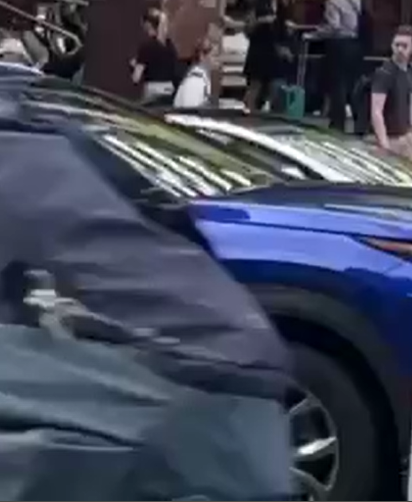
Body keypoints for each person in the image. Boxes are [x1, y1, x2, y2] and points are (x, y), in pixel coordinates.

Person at [0, 86, 295, 498]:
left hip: (185, 390)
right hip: (246, 374)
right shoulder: (55, 139)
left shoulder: (16, 155)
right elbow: (172, 219)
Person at [369, 26, 412, 164]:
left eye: (404, 46)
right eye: (396, 45)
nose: (399, 49)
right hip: (391, 137)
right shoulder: (385, 72)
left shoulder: (411, 71)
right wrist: (384, 143)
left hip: (407, 135)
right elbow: (376, 111)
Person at [316, 0, 363, 132]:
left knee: (338, 84)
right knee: (353, 83)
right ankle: (360, 120)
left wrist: (317, 32)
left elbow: (334, 26)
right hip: (354, 44)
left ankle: (338, 122)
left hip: (338, 46)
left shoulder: (332, 2)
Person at [131, 7, 180, 107]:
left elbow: (136, 78)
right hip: (169, 89)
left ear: (147, 25)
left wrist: (133, 66)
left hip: (153, 90)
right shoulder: (171, 46)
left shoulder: (146, 47)